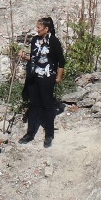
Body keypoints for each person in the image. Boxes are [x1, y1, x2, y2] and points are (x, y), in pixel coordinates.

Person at [19, 16, 66, 147]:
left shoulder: (54, 42)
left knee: (47, 104)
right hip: (33, 76)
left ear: (46, 29)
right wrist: (24, 56)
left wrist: (59, 77)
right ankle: (30, 133)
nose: (37, 29)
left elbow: (61, 61)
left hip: (47, 77)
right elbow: (34, 58)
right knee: (34, 105)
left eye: (39, 27)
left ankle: (49, 134)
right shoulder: (34, 40)